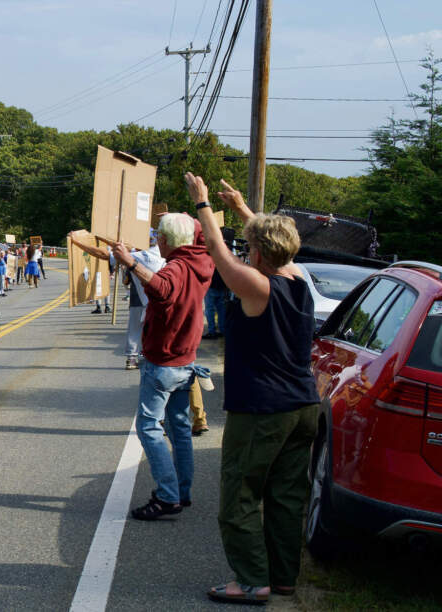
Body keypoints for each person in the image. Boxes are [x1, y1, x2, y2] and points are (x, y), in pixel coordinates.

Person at [185, 174, 319, 605]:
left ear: (258, 253)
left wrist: (204, 205)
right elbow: (273, 241)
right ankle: (281, 578)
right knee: (284, 496)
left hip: (263, 409)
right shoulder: (299, 277)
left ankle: (250, 581)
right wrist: (244, 208)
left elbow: (222, 259)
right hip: (303, 406)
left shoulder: (258, 286)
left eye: (252, 246)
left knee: (240, 494)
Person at [71, 214, 213, 520]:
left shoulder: (173, 267)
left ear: (164, 240)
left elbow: (162, 288)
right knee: (178, 427)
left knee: (149, 427)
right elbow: (203, 237)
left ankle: (167, 495)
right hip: (187, 359)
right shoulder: (202, 262)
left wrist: (131, 264)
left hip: (163, 360)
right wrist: (200, 202)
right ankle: (182, 490)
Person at [122, 236, 164, 369]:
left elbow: (126, 281)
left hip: (139, 297)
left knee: (135, 328)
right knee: (153, 327)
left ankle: (132, 358)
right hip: (155, 297)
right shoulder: (162, 256)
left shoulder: (134, 256)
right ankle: (147, 355)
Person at [203, 267, 229, 339]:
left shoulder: (209, 259)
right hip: (222, 286)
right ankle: (222, 330)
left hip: (211, 286)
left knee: (210, 310)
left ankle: (212, 332)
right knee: (221, 310)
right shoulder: (222, 259)